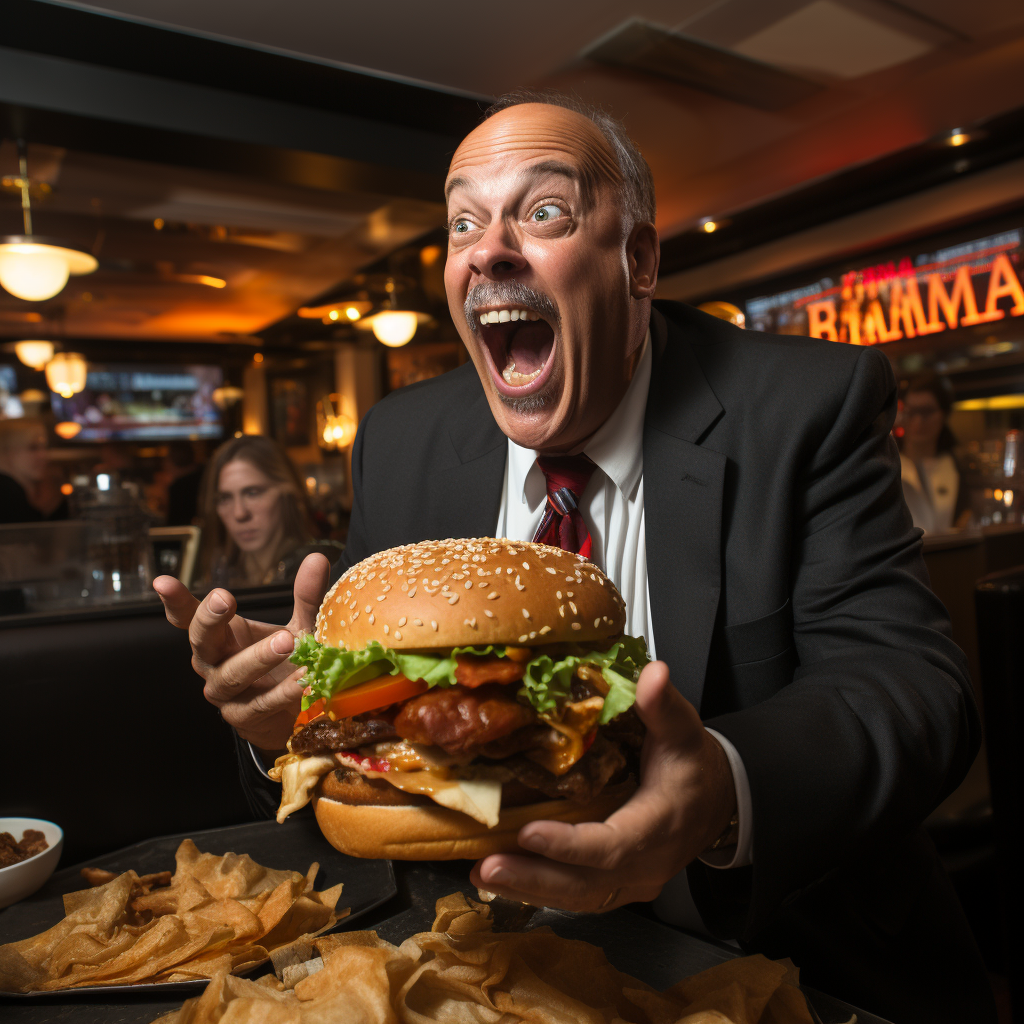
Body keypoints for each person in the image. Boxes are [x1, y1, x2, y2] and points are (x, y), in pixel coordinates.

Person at [155, 94, 993, 1022]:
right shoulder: (401, 442)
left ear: (637, 260)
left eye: (542, 211)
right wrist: (297, 721)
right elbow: (361, 743)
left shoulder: (806, 405)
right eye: (463, 222)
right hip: (494, 972)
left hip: (785, 956)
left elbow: (913, 688)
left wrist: (717, 790)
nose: (488, 249)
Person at [194, 435, 337, 588]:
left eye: (253, 493)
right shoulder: (217, 574)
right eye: (225, 498)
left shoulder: (326, 569)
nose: (239, 513)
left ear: (288, 493)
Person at [898, 373, 969, 533]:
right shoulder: (888, 467)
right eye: (911, 411)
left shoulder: (960, 468)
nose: (918, 421)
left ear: (944, 414)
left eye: (926, 411)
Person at [0, 417, 68, 524]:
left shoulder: (14, 493)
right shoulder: (7, 495)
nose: (43, 455)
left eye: (44, 447)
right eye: (33, 448)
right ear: (6, 451)